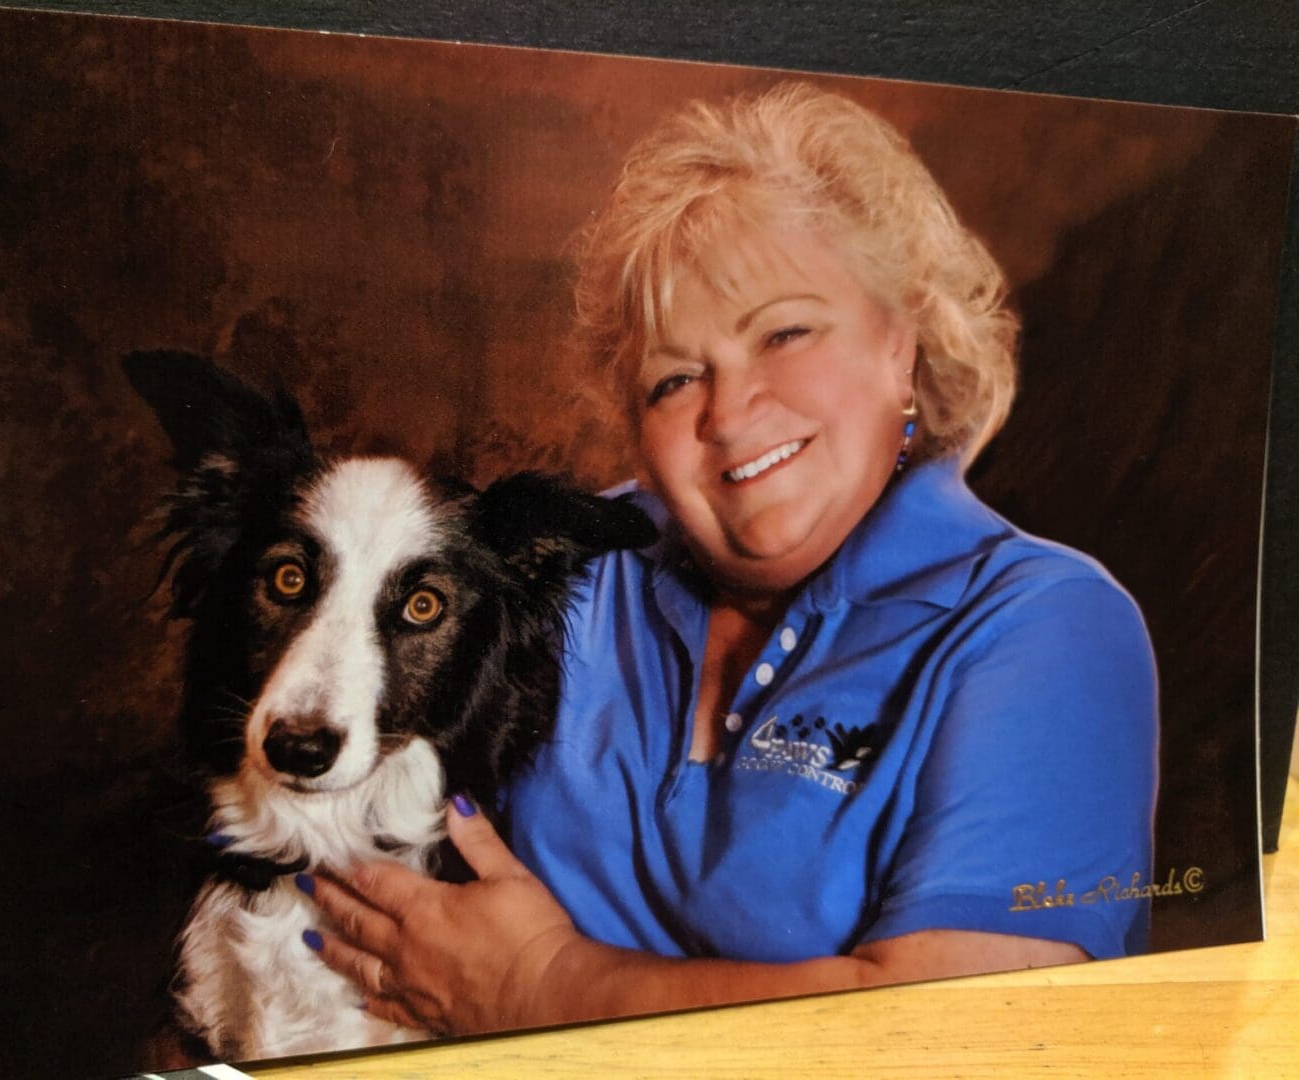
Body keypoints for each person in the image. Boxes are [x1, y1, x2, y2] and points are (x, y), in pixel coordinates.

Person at [295, 81, 1159, 1036]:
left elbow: (968, 1036)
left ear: (901, 346)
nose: (731, 412)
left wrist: (547, 987)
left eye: (785, 332)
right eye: (674, 380)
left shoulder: (1047, 626)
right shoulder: (567, 568)